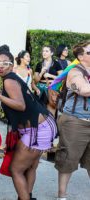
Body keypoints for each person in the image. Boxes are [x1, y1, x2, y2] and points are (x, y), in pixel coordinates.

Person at [0, 49, 57, 200]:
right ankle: (26, 196)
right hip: (43, 125)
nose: (0, 66)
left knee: (16, 169)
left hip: (37, 129)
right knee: (30, 168)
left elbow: (20, 105)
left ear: (11, 65)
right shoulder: (12, 77)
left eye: (5, 63)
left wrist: (0, 97)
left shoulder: (9, 80)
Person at [55, 41, 90, 200]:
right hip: (75, 122)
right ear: (81, 56)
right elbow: (83, 90)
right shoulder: (74, 72)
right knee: (68, 161)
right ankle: (62, 196)